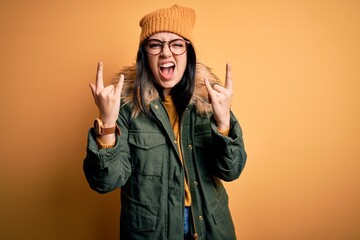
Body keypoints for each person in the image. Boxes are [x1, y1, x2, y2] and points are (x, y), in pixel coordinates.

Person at [83, 4, 247, 240]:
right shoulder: (126, 106)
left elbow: (231, 171)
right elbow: (105, 182)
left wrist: (223, 122)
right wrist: (108, 122)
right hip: (151, 233)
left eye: (177, 44)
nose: (166, 53)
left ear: (188, 52)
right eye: (155, 44)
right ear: (144, 53)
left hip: (210, 228)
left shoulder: (209, 100)